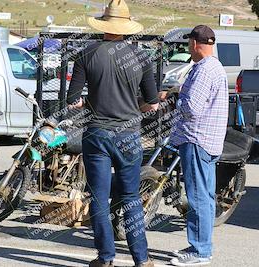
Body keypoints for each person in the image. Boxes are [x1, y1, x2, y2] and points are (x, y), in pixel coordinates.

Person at [67, 1, 159, 266]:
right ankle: (141, 259)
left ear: (104, 25)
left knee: (98, 197)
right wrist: (133, 107)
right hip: (128, 134)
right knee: (130, 197)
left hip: (97, 133)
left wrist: (89, 101)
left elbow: (73, 99)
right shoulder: (141, 57)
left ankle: (105, 258)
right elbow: (152, 103)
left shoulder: (87, 54)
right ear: (127, 28)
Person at [170, 25, 228, 266]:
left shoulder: (203, 71)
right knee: (204, 196)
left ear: (195, 43)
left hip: (196, 140)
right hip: (209, 141)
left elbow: (192, 109)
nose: (188, 48)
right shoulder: (216, 67)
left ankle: (200, 250)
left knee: (197, 198)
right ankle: (201, 245)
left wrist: (177, 96)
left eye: (188, 43)